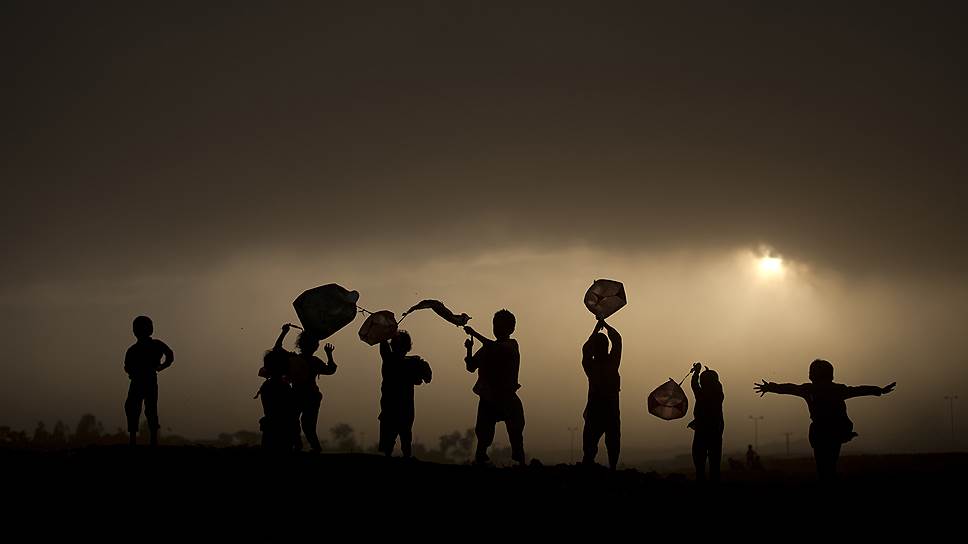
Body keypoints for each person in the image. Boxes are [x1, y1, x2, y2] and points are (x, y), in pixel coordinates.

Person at [754, 359, 895, 480]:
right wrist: (879, 390)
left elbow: (789, 388)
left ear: (814, 375)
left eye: (811, 371)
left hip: (826, 431)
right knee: (829, 464)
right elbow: (859, 390)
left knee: (823, 466)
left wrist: (770, 387)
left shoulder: (812, 389)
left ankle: (828, 477)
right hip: (831, 431)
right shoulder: (833, 389)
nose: (809, 374)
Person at [463, 309, 525, 466]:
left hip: (507, 396)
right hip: (489, 397)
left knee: (516, 432)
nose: (496, 329)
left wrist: (475, 334)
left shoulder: (511, 345)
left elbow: (496, 348)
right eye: (495, 325)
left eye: (500, 326)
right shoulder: (486, 348)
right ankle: (481, 458)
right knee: (483, 435)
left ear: (511, 329)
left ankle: (520, 460)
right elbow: (471, 367)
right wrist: (469, 349)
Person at [273, 323, 337, 452]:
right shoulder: (314, 361)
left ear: (300, 344)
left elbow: (277, 349)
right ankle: (314, 447)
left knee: (292, 422)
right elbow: (330, 370)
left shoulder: (293, 359)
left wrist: (284, 332)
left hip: (296, 395)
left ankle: (298, 446)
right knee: (308, 425)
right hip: (311, 396)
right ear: (315, 347)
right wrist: (329, 354)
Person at [377, 330, 432, 458]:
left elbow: (383, 342)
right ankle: (406, 456)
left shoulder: (389, 359)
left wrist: (385, 331)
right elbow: (425, 379)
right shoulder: (413, 363)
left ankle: (390, 454)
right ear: (407, 347)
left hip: (390, 404)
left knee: (390, 434)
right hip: (404, 405)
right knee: (405, 434)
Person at [123, 316, 174, 447]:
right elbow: (127, 366)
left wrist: (161, 367)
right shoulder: (133, 349)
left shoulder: (154, 345)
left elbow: (170, 355)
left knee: (148, 409)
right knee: (133, 407)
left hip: (147, 380)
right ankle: (137, 439)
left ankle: (150, 440)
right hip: (140, 381)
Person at [580, 318, 622, 469]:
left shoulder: (590, 366)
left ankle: (589, 467)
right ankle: (611, 469)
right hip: (608, 410)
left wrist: (596, 329)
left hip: (596, 410)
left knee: (591, 444)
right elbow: (618, 341)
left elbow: (585, 350)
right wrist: (605, 325)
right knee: (612, 443)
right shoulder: (612, 363)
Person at [255, 347, 299, 451]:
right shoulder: (284, 387)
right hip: (283, 428)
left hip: (270, 427)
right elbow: (290, 412)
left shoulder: (266, 386)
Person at [687, 362, 724, 482]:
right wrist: (705, 373)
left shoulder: (702, 394)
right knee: (714, 464)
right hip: (715, 432)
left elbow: (694, 385)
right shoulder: (719, 394)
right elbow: (697, 385)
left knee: (699, 463)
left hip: (703, 432)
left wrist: (697, 372)